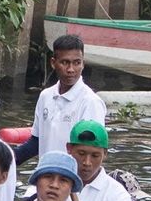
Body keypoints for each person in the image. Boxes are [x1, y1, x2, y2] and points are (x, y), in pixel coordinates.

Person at [18, 34, 107, 164]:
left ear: (83, 64)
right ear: (53, 63)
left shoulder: (90, 102)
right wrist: (7, 159)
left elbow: (91, 154)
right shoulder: (45, 96)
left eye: (77, 63)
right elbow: (37, 141)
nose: (71, 69)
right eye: (65, 62)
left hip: (70, 180)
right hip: (46, 177)